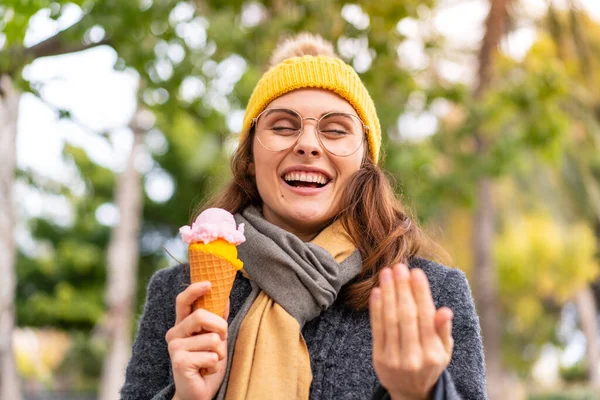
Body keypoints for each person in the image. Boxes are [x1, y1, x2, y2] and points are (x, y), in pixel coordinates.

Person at [120, 33, 486, 400]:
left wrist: (420, 393)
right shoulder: (180, 294)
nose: (308, 144)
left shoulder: (430, 293)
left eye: (335, 130)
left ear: (365, 163)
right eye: (282, 126)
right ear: (248, 158)